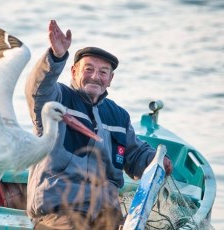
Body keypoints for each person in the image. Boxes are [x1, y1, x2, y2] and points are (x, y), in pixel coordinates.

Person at [25, 20, 173, 230]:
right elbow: (37, 89)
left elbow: (134, 154)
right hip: (60, 212)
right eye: (89, 69)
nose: (96, 76)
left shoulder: (118, 115)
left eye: (103, 72)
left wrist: (155, 160)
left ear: (110, 79)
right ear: (74, 71)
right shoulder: (56, 99)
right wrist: (55, 57)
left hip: (106, 214)